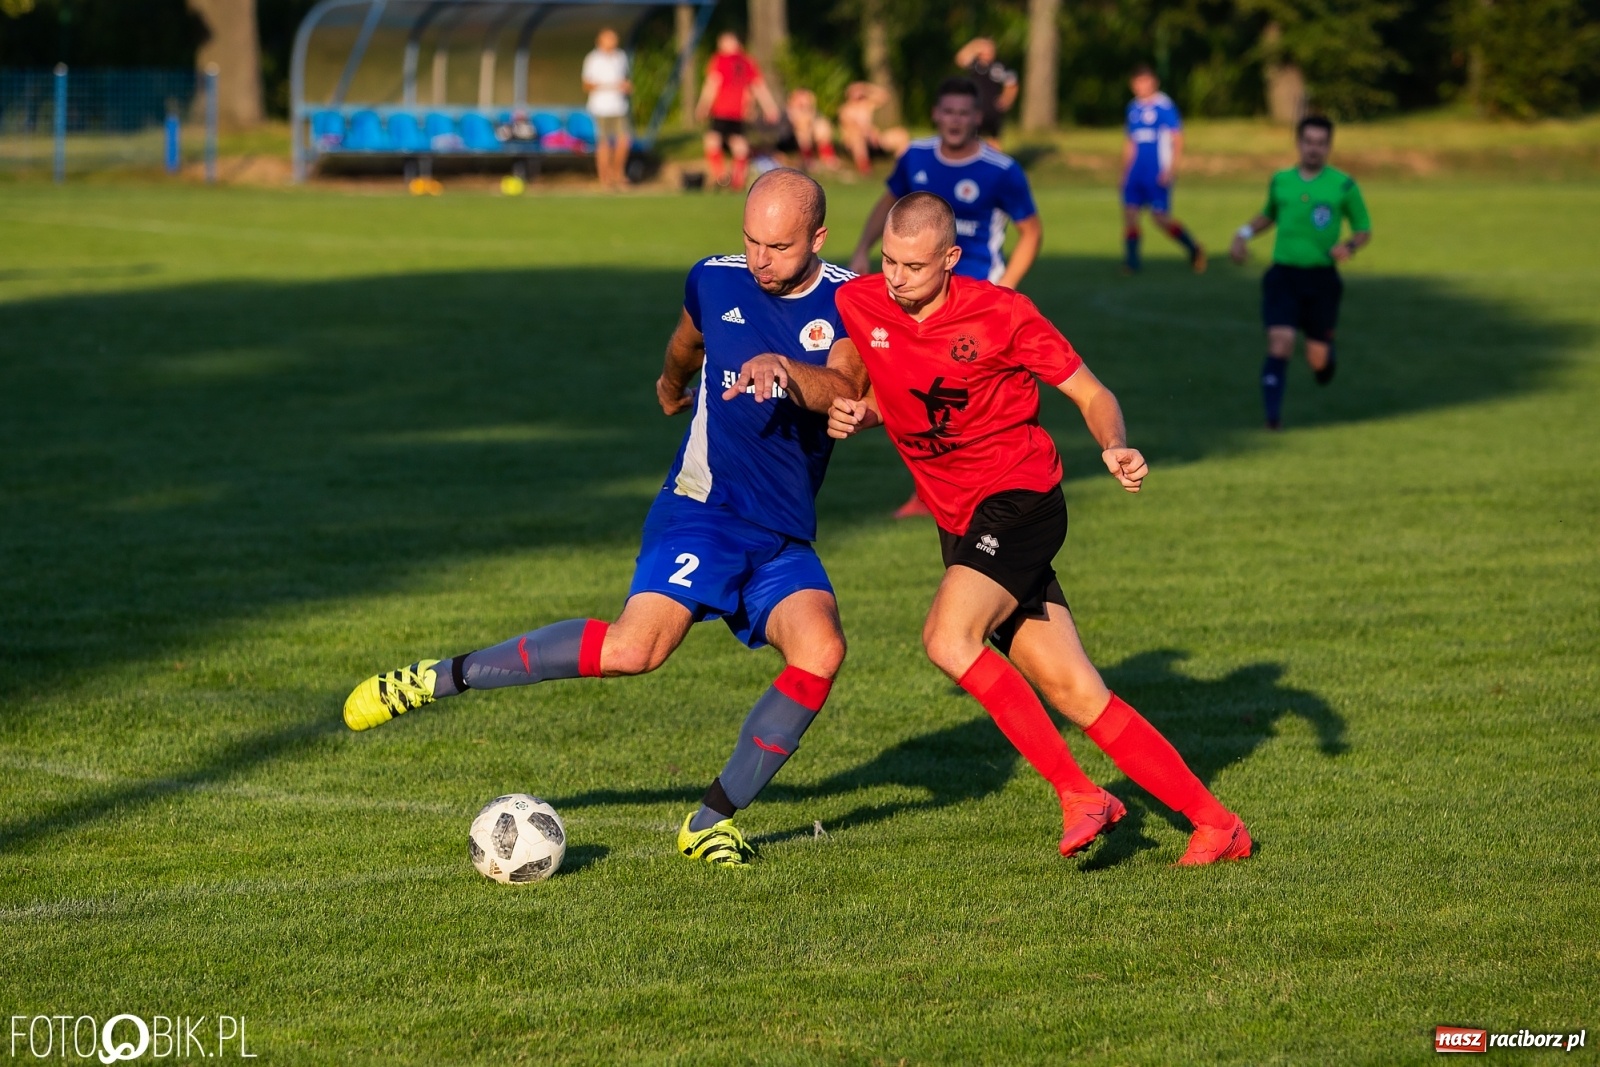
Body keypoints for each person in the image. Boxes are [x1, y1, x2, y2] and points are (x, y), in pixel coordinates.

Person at [341, 170, 857, 868]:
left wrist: (788, 371)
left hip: (782, 529)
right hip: (705, 508)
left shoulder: (854, 301)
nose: (760, 259)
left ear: (818, 237)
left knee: (821, 651)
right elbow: (687, 339)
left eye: (780, 246)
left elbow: (847, 385)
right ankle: (440, 676)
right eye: (751, 239)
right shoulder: (715, 277)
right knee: (633, 650)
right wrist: (672, 385)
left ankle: (709, 823)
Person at [733, 191, 1250, 865]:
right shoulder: (863, 302)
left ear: (950, 258)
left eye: (914, 266)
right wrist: (860, 413)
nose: (896, 278)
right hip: (959, 519)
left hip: (1021, 500)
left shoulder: (1003, 314)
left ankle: (1079, 794)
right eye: (888, 260)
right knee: (1075, 689)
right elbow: (885, 387)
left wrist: (1114, 443)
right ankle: (1218, 825)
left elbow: (1093, 394)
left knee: (948, 637)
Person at [848, 77, 1041, 519]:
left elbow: (1031, 231)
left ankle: (995, 485)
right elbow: (890, 202)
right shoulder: (915, 157)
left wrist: (1006, 286)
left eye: (964, 113)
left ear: (977, 117)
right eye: (948, 111)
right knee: (916, 390)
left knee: (977, 398)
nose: (955, 120)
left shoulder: (1001, 169)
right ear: (937, 114)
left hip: (975, 301)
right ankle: (931, 491)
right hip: (919, 297)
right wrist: (863, 246)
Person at [1230, 115, 1372, 430]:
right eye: (1309, 142)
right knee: (1280, 343)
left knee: (1318, 363)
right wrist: (1243, 234)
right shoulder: (1281, 180)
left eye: (1321, 143)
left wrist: (1349, 247)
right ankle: (1272, 420)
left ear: (1329, 147)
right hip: (1284, 276)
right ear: (1299, 143)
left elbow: (1363, 229)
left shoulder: (1343, 185)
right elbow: (1268, 214)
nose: (1314, 149)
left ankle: (1325, 356)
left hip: (1322, 280)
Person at [1120, 64, 1204, 274]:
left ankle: (1193, 248)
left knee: (1160, 219)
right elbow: (1131, 142)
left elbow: (1177, 138)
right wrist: (1125, 171)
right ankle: (1132, 263)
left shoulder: (1164, 106)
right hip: (1136, 172)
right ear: (1133, 85)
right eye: (1138, 82)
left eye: (1146, 81)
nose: (1142, 86)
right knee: (1130, 215)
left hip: (1157, 171)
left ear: (1154, 82)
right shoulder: (1133, 108)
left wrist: (1171, 169)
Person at [695, 31, 780, 190]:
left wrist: (703, 105)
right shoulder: (745, 61)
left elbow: (712, 84)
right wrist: (770, 107)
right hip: (730, 111)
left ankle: (725, 178)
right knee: (736, 144)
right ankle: (731, 179)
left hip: (727, 111)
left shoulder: (726, 60)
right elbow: (758, 86)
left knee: (716, 141)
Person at [581, 29, 633, 189]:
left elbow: (624, 78)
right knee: (603, 144)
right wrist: (611, 86)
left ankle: (618, 173)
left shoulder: (621, 56)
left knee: (624, 141)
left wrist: (626, 86)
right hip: (600, 108)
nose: (614, 41)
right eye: (610, 38)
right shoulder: (593, 58)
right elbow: (587, 85)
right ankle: (605, 178)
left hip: (619, 107)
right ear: (601, 40)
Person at [836, 81, 911, 175]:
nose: (858, 94)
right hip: (854, 141)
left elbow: (885, 96)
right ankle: (864, 168)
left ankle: (904, 164)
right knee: (858, 138)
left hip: (872, 138)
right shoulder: (846, 110)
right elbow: (852, 127)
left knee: (901, 134)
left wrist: (867, 88)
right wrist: (869, 133)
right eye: (855, 91)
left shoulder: (867, 104)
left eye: (859, 91)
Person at [954, 37, 1018, 144]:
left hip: (992, 109)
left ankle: (994, 160)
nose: (988, 52)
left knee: (994, 139)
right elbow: (960, 59)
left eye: (990, 49)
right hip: (975, 107)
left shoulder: (1000, 66)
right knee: (970, 136)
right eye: (985, 49)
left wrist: (1007, 99)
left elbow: (1012, 84)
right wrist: (975, 45)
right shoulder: (974, 65)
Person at [774, 87, 840, 172]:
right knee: (803, 130)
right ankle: (807, 158)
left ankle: (827, 156)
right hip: (789, 139)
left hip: (809, 135)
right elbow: (797, 123)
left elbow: (813, 122)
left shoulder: (812, 111)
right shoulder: (789, 111)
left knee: (822, 126)